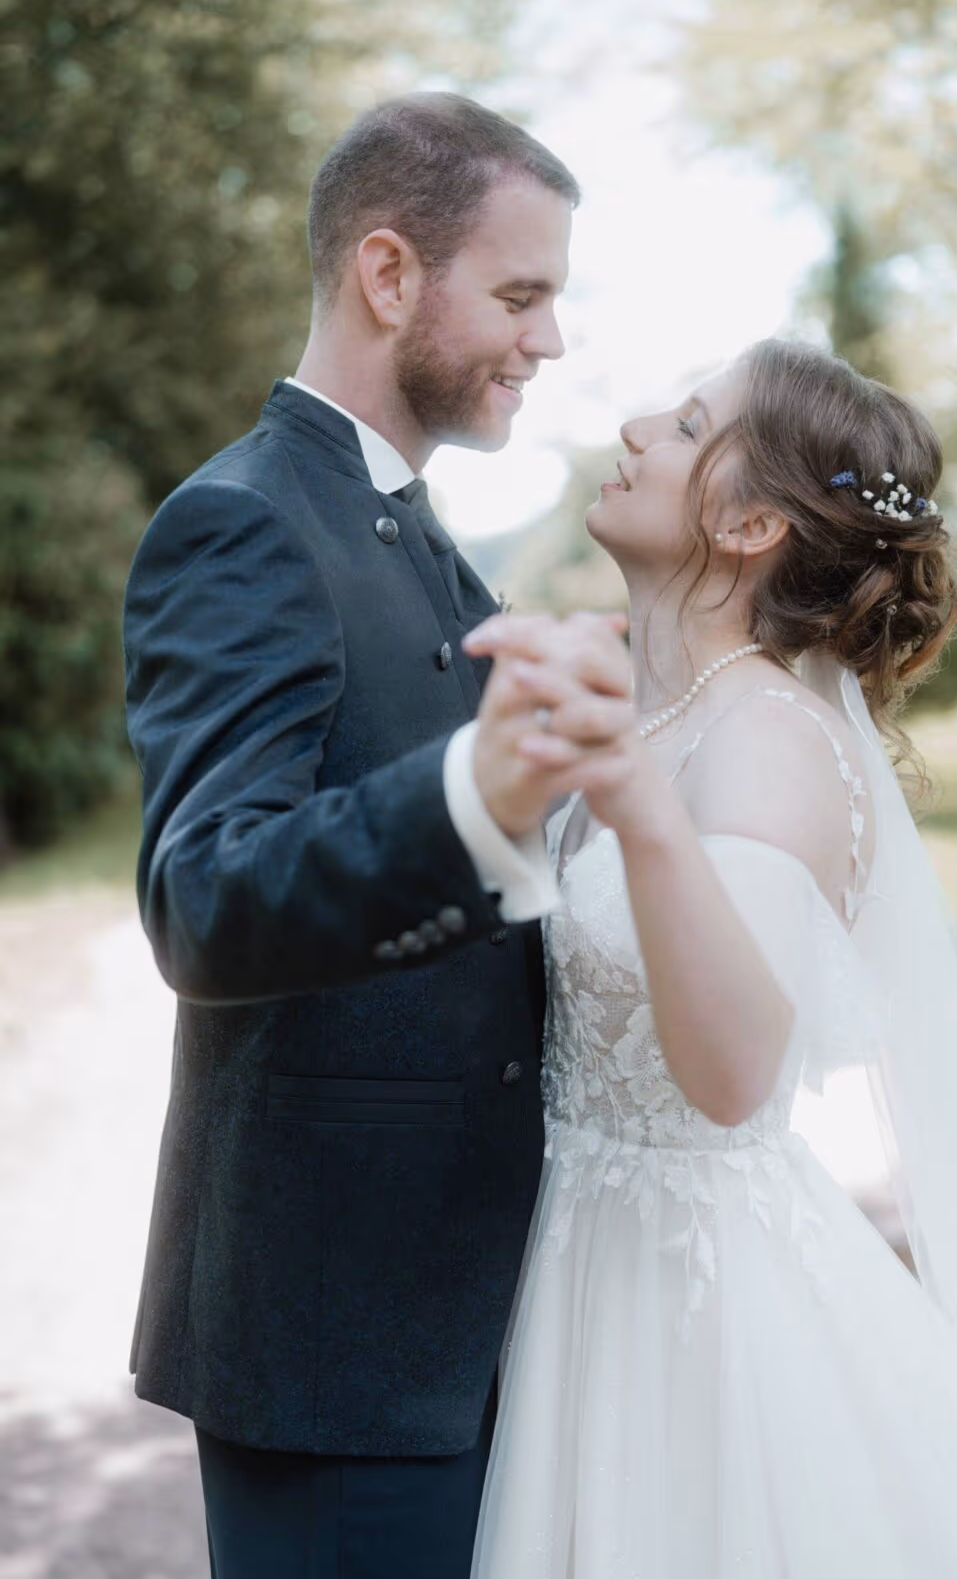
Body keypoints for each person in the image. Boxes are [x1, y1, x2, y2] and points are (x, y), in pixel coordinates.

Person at [122, 93, 632, 1579]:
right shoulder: (246, 523)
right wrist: (483, 792)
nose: (545, 341)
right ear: (389, 275)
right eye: (520, 294)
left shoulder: (418, 535)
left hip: (461, 1312)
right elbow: (206, 899)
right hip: (339, 1334)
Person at [464, 339, 957, 1576]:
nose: (634, 427)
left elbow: (733, 1073)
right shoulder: (661, 709)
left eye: (686, 424)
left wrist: (632, 805)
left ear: (746, 524)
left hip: (695, 1305)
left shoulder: (766, 742)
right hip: (584, 1254)